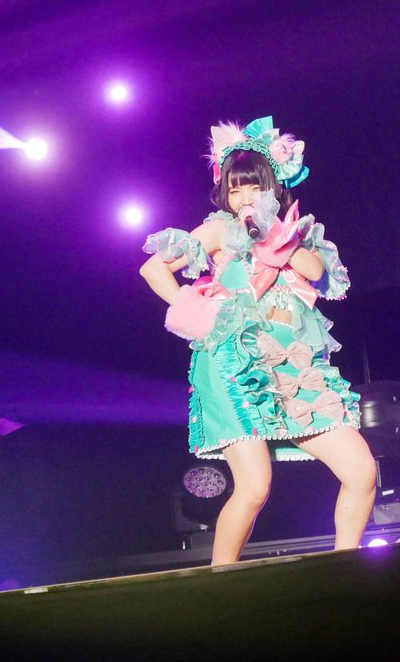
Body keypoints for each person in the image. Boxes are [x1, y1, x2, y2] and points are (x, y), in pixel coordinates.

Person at [141, 116, 377, 563]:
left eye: (253, 187)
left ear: (273, 187)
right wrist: (195, 309)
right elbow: (152, 268)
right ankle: (221, 581)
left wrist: (272, 235)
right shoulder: (219, 231)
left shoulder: (294, 234)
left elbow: (315, 271)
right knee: (254, 487)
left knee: (362, 471)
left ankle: (346, 568)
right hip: (234, 364)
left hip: (291, 367)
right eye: (235, 190)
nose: (244, 198)